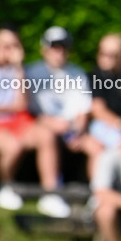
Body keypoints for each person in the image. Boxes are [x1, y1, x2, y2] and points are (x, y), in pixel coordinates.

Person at [0, 25, 71, 217]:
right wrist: (12, 107)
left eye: (14, 45)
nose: (9, 50)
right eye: (4, 45)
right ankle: (6, 186)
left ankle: (51, 194)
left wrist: (18, 69)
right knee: (12, 145)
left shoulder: (19, 69)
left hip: (18, 121)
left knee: (46, 136)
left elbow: (23, 104)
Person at [26, 27, 103, 176]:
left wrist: (77, 132)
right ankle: (52, 190)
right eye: (55, 47)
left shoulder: (78, 73)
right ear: (45, 49)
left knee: (97, 147)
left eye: (63, 47)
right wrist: (50, 123)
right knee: (47, 137)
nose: (59, 51)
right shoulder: (31, 72)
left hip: (72, 128)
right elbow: (28, 109)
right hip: (42, 125)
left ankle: (98, 194)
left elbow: (83, 109)